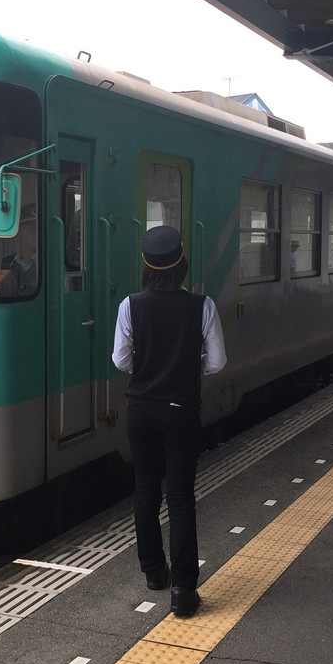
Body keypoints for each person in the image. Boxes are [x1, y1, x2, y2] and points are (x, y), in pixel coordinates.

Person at [112, 225, 226, 618]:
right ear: (182, 263)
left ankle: (152, 573)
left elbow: (120, 360)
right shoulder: (202, 306)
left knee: (145, 492)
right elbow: (216, 363)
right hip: (181, 411)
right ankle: (182, 589)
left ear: (146, 265)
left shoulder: (130, 305)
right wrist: (185, 364)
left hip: (140, 411)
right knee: (179, 498)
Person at [0, 205, 39, 295]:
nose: (35, 233)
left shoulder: (52, 265)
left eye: (38, 229)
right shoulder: (4, 264)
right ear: (18, 233)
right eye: (31, 229)